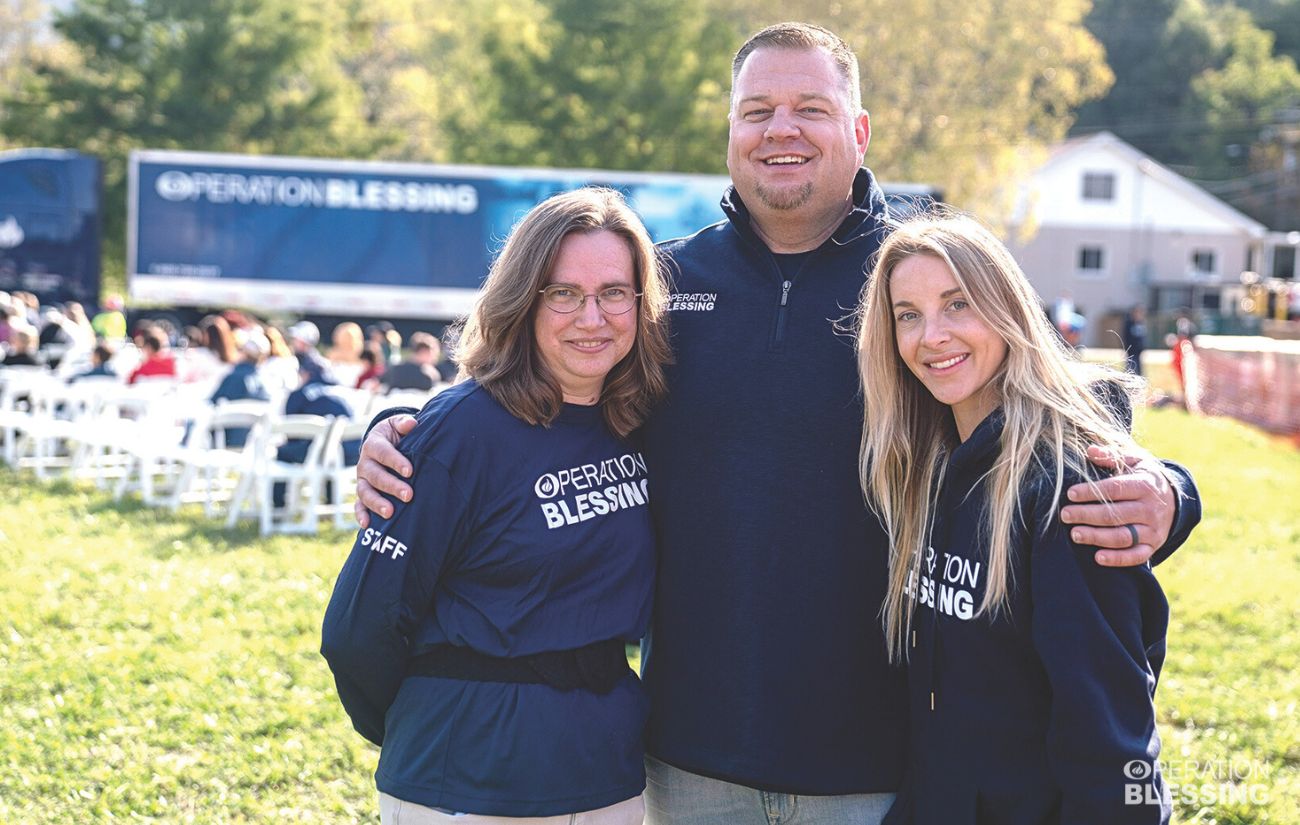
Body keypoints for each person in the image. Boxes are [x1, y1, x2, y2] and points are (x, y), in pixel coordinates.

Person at [355, 23, 1200, 825]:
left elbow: (1057, 406)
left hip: (879, 765)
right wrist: (406, 424)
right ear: (729, 131)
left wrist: (1170, 491)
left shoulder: (926, 279)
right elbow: (544, 394)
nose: (779, 130)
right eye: (756, 111)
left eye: (811, 109)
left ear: (859, 129)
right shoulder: (664, 288)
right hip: (686, 760)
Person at [321, 187, 671, 823]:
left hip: (606, 775)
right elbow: (358, 630)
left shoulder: (641, 421)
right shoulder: (460, 431)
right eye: (563, 293)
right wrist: (423, 722)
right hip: (468, 778)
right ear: (522, 300)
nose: (592, 317)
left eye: (614, 293)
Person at [859, 213, 1172, 824]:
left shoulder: (1067, 486)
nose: (932, 336)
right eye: (908, 315)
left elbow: (1112, 731)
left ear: (1008, 311)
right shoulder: (928, 464)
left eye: (958, 305)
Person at [377, 331, 441, 393]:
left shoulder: (394, 369)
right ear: (423, 352)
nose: (435, 358)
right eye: (434, 353)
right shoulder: (431, 375)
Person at [1123, 303, 1147, 376]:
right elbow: (1126, 336)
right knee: (1130, 367)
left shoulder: (1141, 323)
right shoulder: (1129, 324)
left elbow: (1142, 337)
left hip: (1139, 350)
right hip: (1131, 350)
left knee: (1139, 367)